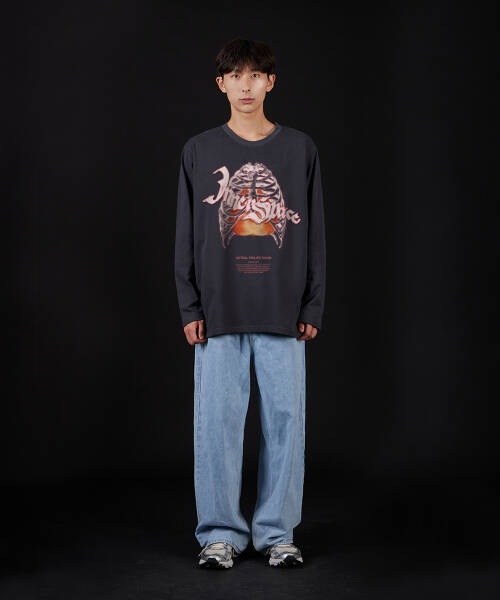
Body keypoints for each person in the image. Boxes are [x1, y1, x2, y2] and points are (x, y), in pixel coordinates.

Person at [174, 37, 326, 569]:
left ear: (270, 82)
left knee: (286, 423)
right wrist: (190, 306)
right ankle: (220, 534)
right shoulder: (198, 151)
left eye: (255, 75)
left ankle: (277, 533)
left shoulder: (300, 150)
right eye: (235, 75)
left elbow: (315, 234)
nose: (246, 85)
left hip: (284, 312)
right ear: (221, 83)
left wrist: (312, 304)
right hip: (218, 312)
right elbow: (186, 233)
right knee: (216, 425)